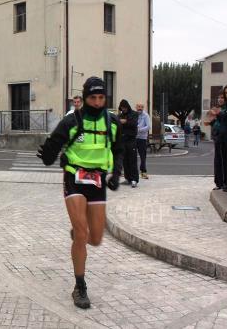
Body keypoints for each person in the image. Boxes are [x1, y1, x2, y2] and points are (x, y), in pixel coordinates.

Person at [37, 77, 123, 309]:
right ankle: (80, 286)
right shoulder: (71, 121)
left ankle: (79, 236)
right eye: (92, 98)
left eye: (101, 98)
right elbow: (52, 149)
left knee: (95, 239)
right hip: (74, 177)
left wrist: (116, 174)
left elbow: (119, 150)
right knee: (83, 233)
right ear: (85, 98)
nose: (97, 102)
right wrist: (48, 153)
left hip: (97, 181)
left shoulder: (112, 122)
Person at [205, 94, 226, 190]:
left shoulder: (225, 109)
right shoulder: (219, 110)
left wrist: (217, 114)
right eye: (219, 97)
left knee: (222, 161)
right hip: (217, 137)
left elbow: (225, 122)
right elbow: (216, 122)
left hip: (223, 137)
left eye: (222, 97)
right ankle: (219, 183)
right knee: (218, 160)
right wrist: (211, 121)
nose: (220, 99)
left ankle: (223, 183)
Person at [118, 99, 139, 187]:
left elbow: (134, 124)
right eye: (122, 108)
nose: (124, 109)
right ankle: (128, 178)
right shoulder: (120, 115)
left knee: (132, 160)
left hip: (131, 140)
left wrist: (125, 121)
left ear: (127, 107)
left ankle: (134, 179)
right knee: (125, 160)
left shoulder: (134, 114)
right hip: (123, 140)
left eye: (125, 107)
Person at [135, 102, 150, 179]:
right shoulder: (134, 115)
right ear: (136, 107)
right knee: (132, 156)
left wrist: (139, 130)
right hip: (134, 138)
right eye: (138, 107)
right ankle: (132, 172)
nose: (139, 108)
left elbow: (148, 127)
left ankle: (143, 172)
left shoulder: (146, 115)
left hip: (142, 138)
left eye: (141, 107)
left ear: (143, 108)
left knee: (142, 156)